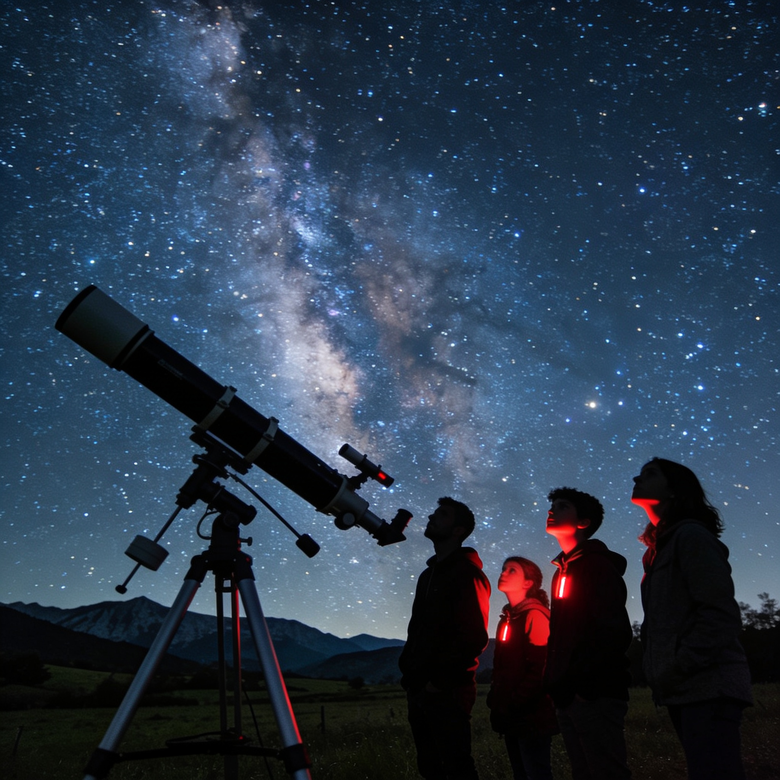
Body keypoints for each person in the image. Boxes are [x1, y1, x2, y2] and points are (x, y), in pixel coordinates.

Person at [631, 458, 753, 780]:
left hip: (708, 685)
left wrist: (680, 664)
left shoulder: (691, 537)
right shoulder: (656, 552)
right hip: (686, 687)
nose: (636, 478)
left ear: (674, 489)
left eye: (650, 474)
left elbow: (720, 614)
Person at [398, 496, 491, 780]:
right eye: (434, 513)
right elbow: (417, 629)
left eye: (443, 515)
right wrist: (410, 674)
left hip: (447, 690)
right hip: (420, 688)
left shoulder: (467, 574)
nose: (432, 518)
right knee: (430, 767)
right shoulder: (428, 576)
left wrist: (438, 683)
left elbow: (474, 635)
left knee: (456, 768)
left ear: (458, 530)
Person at [544, 487, 633, 780]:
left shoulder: (595, 565)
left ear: (583, 522)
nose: (552, 510)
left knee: (606, 771)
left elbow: (611, 630)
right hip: (569, 695)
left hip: (593, 694)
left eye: (562, 506)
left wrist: (585, 688)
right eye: (552, 505)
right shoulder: (562, 570)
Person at [487, 556, 558, 780]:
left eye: (512, 571)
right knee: (521, 773)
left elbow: (540, 668)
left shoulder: (534, 615)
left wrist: (516, 701)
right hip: (513, 715)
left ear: (528, 583)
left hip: (531, 715)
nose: (503, 573)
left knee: (535, 773)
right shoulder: (508, 619)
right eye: (503, 569)